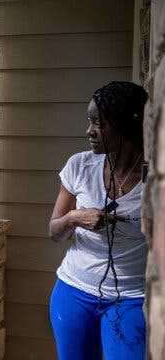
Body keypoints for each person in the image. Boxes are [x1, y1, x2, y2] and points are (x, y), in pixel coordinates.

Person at [48, 81, 148, 360]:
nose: (89, 131)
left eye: (98, 123)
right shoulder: (79, 166)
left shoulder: (155, 178)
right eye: (88, 121)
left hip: (130, 298)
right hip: (73, 292)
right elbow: (54, 232)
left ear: (124, 126)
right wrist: (73, 218)